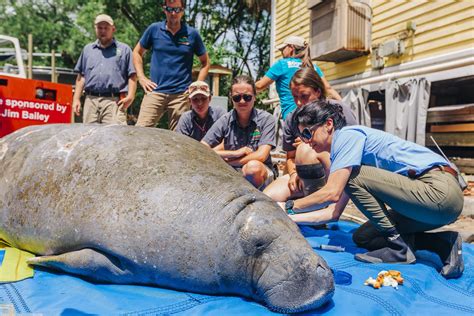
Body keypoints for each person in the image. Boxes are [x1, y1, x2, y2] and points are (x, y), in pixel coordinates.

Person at [284, 99, 464, 279]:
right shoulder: (347, 156)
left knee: (354, 177)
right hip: (432, 206)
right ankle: (444, 243)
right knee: (364, 237)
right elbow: (333, 213)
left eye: (308, 133)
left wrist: (289, 205)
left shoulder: (347, 136)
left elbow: (332, 192)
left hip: (439, 192)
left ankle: (399, 249)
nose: (306, 142)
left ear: (328, 124)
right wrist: (288, 217)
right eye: (302, 137)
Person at [263, 67, 357, 202]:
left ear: (318, 91)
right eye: (295, 97)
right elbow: (290, 157)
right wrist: (294, 174)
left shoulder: (338, 110)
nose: (299, 102)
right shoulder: (291, 118)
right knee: (269, 197)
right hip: (304, 174)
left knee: (305, 150)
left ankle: (317, 208)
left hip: (341, 173)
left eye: (304, 96)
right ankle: (308, 194)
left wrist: (311, 144)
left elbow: (354, 147)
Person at [133, 0, 210, 131]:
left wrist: (196, 84)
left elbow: (206, 63)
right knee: (140, 131)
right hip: (155, 92)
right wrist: (141, 78)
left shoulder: (192, 34)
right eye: (170, 9)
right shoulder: (154, 29)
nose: (173, 13)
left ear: (183, 11)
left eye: (177, 10)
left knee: (180, 138)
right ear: (164, 9)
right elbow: (136, 52)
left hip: (180, 95)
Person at [201, 75, 276, 190]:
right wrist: (234, 153)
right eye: (237, 97)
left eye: (247, 97)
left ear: (255, 97)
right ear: (231, 98)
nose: (242, 101)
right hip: (232, 171)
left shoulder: (267, 119)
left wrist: (230, 162)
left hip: (260, 172)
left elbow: (261, 156)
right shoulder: (225, 120)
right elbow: (202, 148)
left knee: (252, 168)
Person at [255, 35, 341, 121]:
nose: (282, 52)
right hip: (314, 115)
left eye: (283, 49)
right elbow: (328, 88)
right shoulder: (313, 67)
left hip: (292, 117)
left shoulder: (282, 64)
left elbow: (259, 86)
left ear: (291, 48)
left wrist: (243, 90)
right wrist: (343, 106)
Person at [73, 14, 137, 124]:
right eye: (99, 28)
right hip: (90, 100)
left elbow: (133, 76)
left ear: (113, 29)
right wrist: (76, 99)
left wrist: (131, 96)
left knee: (113, 136)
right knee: (89, 137)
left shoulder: (124, 50)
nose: (103, 30)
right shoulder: (88, 50)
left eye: (106, 28)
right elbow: (81, 77)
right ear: (95, 29)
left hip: (114, 101)